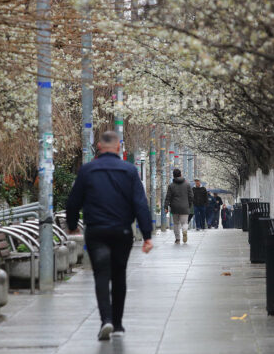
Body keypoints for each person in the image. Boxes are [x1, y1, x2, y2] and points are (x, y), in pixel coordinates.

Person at [65, 131, 153, 341]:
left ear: (99, 147)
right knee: (119, 275)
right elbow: (140, 204)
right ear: (118, 148)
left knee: (101, 275)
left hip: (96, 231)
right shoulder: (129, 171)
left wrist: (71, 225)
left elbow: (73, 201)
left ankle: (106, 320)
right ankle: (119, 324)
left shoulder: (87, 170)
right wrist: (147, 235)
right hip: (122, 231)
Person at [164, 168, 193, 244]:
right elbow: (191, 196)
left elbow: (168, 197)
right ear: (181, 175)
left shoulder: (171, 185)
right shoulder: (187, 184)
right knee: (184, 223)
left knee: (176, 223)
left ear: (173, 176)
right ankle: (184, 231)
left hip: (174, 207)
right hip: (185, 207)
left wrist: (166, 207)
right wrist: (189, 204)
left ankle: (177, 239)